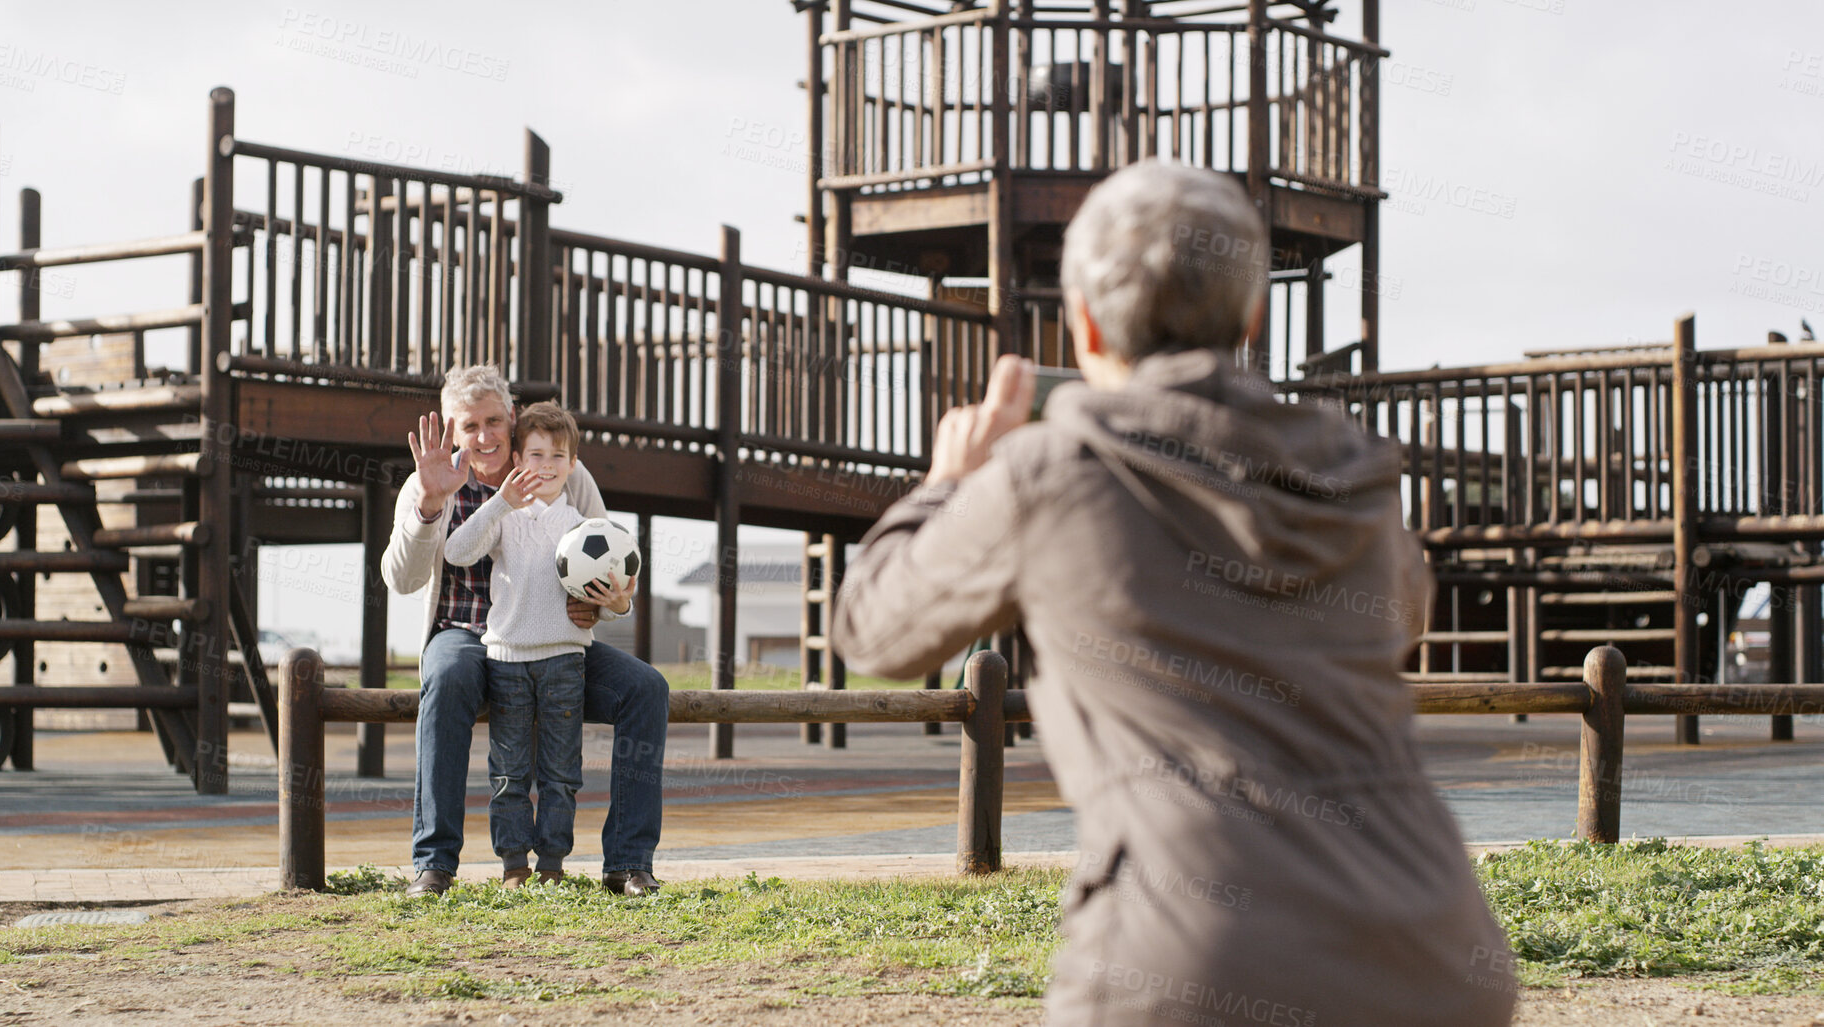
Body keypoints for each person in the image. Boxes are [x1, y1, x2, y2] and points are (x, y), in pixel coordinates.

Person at [833, 163, 1515, 1026]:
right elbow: (1402, 623)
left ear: (1082, 321)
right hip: (1432, 945)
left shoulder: (1053, 474)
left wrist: (945, 485)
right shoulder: (1356, 480)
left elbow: (872, 631)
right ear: (1251, 316)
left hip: (1185, 954)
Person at [383, 365, 667, 897]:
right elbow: (401, 578)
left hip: (553, 638)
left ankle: (629, 863)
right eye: (470, 426)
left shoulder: (565, 473)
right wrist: (427, 506)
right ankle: (434, 864)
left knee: (646, 688)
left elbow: (611, 563)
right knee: (446, 680)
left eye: (495, 421)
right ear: (451, 430)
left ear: (512, 419)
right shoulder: (429, 482)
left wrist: (607, 608)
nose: (485, 436)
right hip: (463, 633)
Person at [442, 401, 626, 888]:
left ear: (572, 465)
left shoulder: (584, 528)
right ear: (518, 459)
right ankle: (513, 867)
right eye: (536, 455)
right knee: (508, 773)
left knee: (562, 773)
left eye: (557, 457)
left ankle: (551, 866)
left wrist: (619, 603)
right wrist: (500, 502)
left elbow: (616, 591)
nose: (545, 466)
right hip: (506, 660)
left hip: (566, 660)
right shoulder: (505, 515)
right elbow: (456, 551)